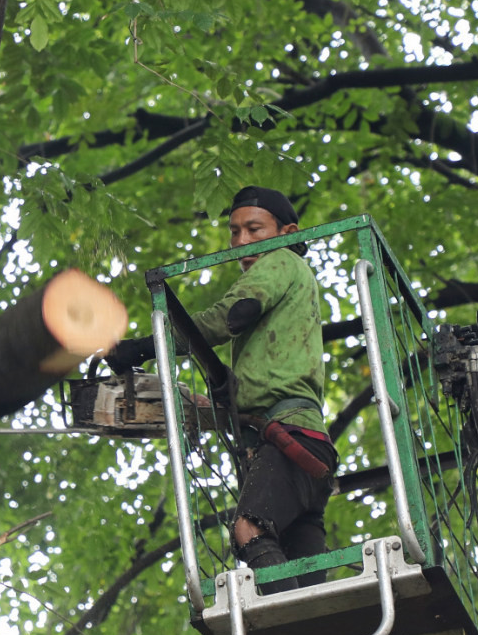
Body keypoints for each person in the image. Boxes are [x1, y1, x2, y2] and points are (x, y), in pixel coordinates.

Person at [106, 186, 336, 593]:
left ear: (287, 233)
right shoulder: (291, 300)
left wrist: (144, 346)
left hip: (290, 440)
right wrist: (207, 404)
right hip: (303, 447)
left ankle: (292, 618)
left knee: (249, 529)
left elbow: (230, 315)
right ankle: (313, 627)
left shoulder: (282, 259)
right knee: (306, 582)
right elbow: (265, 385)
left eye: (254, 229)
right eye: (234, 231)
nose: (242, 242)